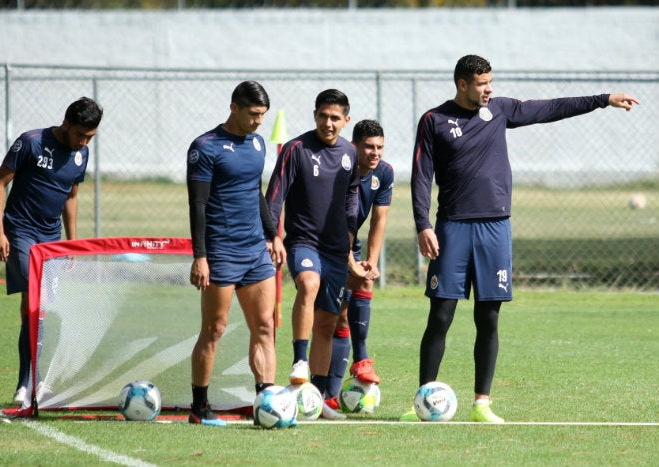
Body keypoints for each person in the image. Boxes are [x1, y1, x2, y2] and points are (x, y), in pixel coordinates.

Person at [407, 54, 639, 423]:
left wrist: (602, 98)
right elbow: (421, 176)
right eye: (482, 84)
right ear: (462, 84)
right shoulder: (434, 120)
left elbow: (548, 108)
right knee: (441, 315)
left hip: (496, 227)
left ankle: (482, 403)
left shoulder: (499, 111)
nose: (489, 89)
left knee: (489, 317)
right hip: (452, 227)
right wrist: (423, 224)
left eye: (490, 82)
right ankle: (421, 402)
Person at [0, 97, 104, 405]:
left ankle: (33, 381)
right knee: (34, 300)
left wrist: (71, 242)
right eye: (80, 134)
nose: (83, 142)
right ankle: (26, 383)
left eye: (90, 137)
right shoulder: (31, 142)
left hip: (51, 239)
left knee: (40, 311)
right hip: (20, 232)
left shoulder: (83, 154)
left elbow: (71, 196)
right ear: (66, 124)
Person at [186, 81, 285, 427]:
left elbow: (255, 193)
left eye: (262, 115)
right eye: (254, 114)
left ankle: (266, 404)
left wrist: (273, 235)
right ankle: (200, 407)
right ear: (234, 107)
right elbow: (197, 204)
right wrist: (200, 255)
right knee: (214, 328)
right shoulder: (205, 147)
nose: (259, 122)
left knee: (264, 326)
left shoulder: (257, 144)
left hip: (256, 250)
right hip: (221, 252)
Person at [265, 89, 361, 419]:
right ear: (315, 115)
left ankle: (315, 400)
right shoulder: (297, 149)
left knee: (327, 322)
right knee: (308, 284)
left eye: (335, 117)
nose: (328, 122)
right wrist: (272, 236)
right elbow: (274, 196)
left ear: (346, 120)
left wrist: (351, 234)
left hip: (336, 248)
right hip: (303, 241)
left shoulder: (350, 153)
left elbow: (352, 196)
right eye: (323, 115)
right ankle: (299, 360)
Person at [324, 119, 393, 408]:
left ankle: (332, 394)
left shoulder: (385, 174)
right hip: (323, 243)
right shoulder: (341, 171)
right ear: (355, 146)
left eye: (379, 147)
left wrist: (372, 263)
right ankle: (350, 368)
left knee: (346, 308)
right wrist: (349, 261)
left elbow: (379, 220)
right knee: (331, 318)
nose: (375, 152)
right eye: (368, 146)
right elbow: (334, 222)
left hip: (351, 243)